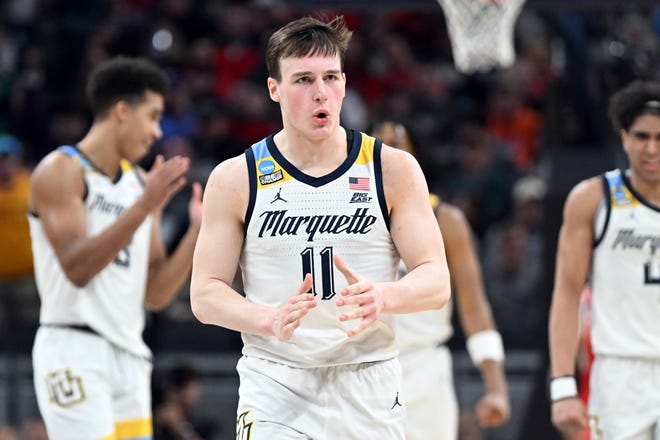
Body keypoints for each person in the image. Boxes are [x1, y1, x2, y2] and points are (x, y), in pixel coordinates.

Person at [190, 16, 451, 440]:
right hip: (276, 379)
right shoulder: (236, 177)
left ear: (345, 83)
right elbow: (204, 294)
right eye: (303, 79)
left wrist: (384, 295)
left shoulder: (393, 169)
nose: (320, 92)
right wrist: (267, 319)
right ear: (274, 89)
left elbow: (436, 281)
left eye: (330, 77)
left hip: (369, 381)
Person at [28, 56, 202, 440]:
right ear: (122, 111)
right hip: (75, 346)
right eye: (153, 116)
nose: (157, 131)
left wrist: (196, 231)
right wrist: (144, 208)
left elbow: (155, 294)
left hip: (130, 353)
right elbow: (77, 268)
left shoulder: (141, 183)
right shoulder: (61, 170)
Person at [370, 119, 510, 440]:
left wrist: (497, 387)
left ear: (414, 158)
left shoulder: (445, 220)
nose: (390, 156)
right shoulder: (341, 218)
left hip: (426, 369)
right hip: (363, 366)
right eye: (381, 148)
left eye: (398, 147)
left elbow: (475, 309)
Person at [549, 80, 660, 439]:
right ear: (624, 136)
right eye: (642, 136)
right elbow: (567, 295)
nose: (652, 148)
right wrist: (563, 387)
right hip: (617, 374)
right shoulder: (593, 199)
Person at [0, 133, 39, 337]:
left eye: (8, 159)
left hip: (27, 275)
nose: (4, 165)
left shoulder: (32, 185)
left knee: (31, 327)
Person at [153, 365, 219, 440]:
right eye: (192, 388)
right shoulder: (155, 417)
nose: (197, 394)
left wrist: (179, 427)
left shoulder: (203, 424)